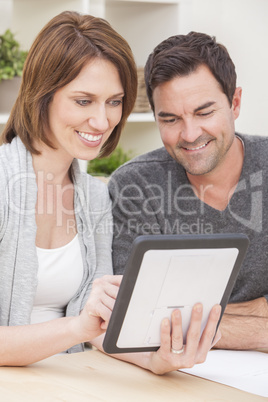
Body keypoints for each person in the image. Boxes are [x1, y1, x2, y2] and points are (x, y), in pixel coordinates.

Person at [0, 12, 221, 373]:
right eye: (84, 101)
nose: (102, 122)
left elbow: (98, 324)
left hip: (71, 380)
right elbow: (82, 326)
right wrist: (76, 328)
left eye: (114, 101)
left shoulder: (93, 197)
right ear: (43, 95)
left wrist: (155, 359)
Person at [109, 31, 268, 351]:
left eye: (204, 112)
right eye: (170, 119)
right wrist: (259, 313)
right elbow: (137, 322)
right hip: (169, 378)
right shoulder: (135, 187)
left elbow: (164, 320)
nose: (190, 134)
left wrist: (184, 318)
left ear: (234, 103)